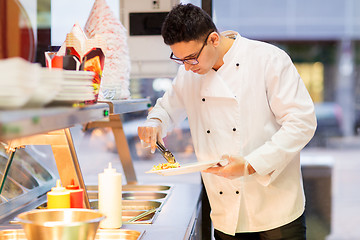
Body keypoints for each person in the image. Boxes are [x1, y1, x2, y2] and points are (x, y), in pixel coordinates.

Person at [137, 3, 317, 240]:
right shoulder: (189, 73)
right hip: (226, 213)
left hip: (276, 209)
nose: (188, 68)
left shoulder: (268, 59)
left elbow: (302, 122)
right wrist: (155, 123)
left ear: (213, 39)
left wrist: (250, 164)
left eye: (191, 58)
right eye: (180, 60)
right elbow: (167, 108)